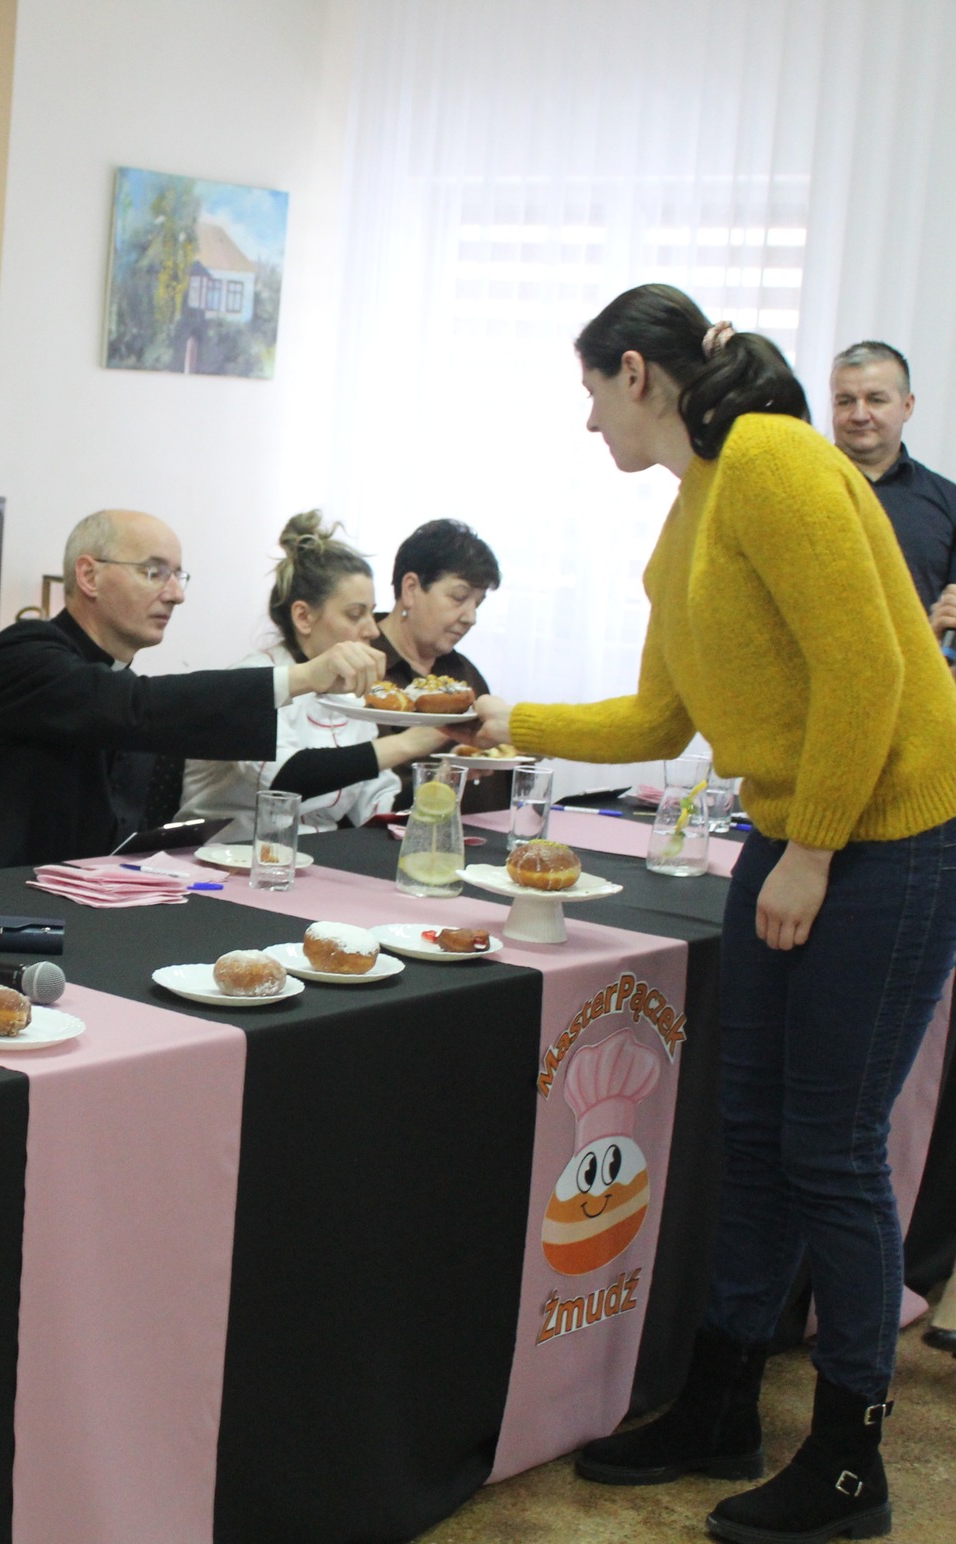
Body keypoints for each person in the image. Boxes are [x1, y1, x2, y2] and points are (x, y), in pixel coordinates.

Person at [466, 283, 956, 1544]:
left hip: (890, 838)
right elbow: (658, 718)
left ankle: (848, 1460)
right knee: (753, 1133)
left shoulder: (773, 461)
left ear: (636, 372)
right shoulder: (689, 511)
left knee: (831, 1149)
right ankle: (720, 1401)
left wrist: (812, 849)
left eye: (590, 392)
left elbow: (868, 670)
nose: (588, 421)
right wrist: (500, 719)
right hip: (796, 833)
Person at [0, 508, 385, 869]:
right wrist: (303, 677)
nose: (176, 595)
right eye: (154, 572)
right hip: (2, 902)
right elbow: (134, 708)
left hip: (102, 898)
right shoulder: (21, 653)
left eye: (179, 576)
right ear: (89, 575)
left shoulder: (119, 678)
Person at [177, 511, 448, 838]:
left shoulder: (351, 694)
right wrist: (411, 742)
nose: (373, 629)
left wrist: (444, 777)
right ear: (303, 617)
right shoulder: (252, 680)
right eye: (355, 614)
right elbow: (288, 780)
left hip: (313, 856)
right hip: (224, 855)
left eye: (371, 612)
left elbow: (377, 808)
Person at [372, 518, 509, 815]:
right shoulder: (363, 665)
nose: (470, 617)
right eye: (459, 598)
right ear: (411, 588)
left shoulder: (464, 674)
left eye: (477, 604)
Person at [830, 340, 956, 652]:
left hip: (920, 673)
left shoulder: (948, 501)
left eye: (876, 400)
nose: (860, 414)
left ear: (907, 406)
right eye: (845, 401)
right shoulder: (797, 491)